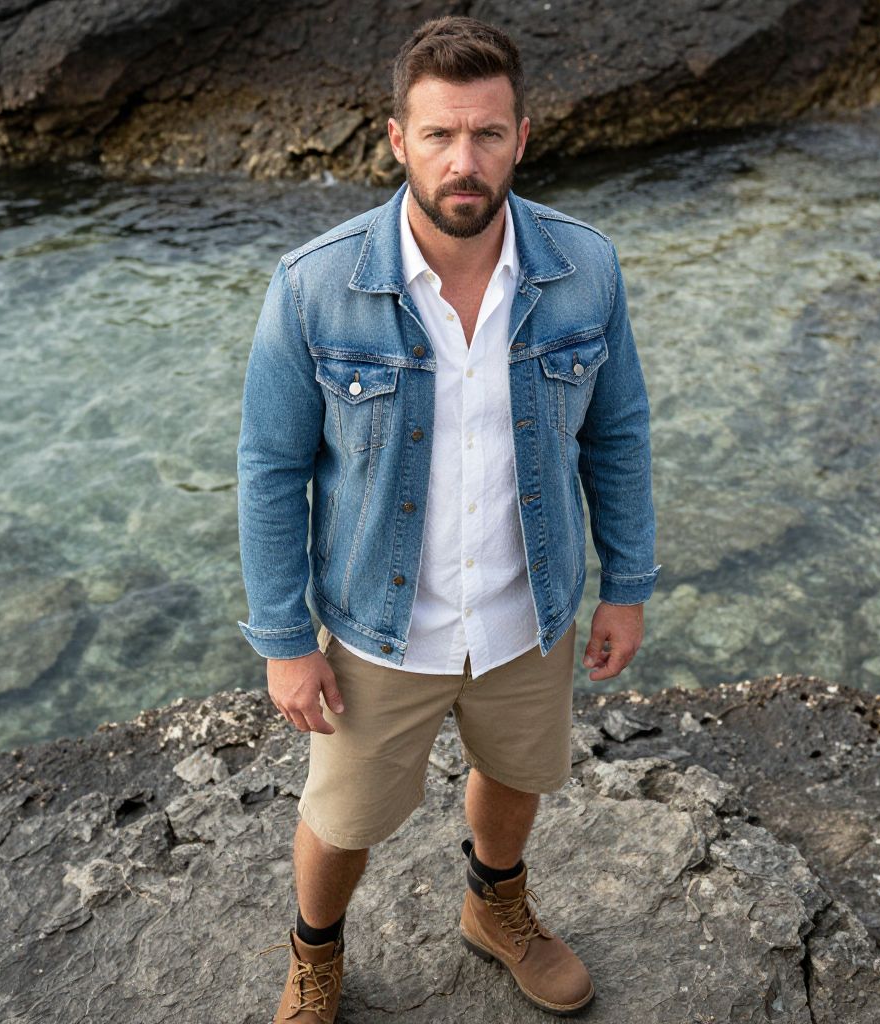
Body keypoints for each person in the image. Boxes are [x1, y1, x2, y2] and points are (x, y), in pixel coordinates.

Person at [236, 14, 660, 1022]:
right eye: (438, 135)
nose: (462, 160)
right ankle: (316, 953)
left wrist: (626, 585)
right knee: (342, 820)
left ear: (522, 136)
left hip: (529, 609)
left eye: (485, 134)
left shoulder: (585, 268)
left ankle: (494, 905)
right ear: (397, 140)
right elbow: (268, 467)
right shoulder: (314, 285)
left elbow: (620, 433)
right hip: (382, 624)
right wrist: (286, 639)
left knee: (518, 776)